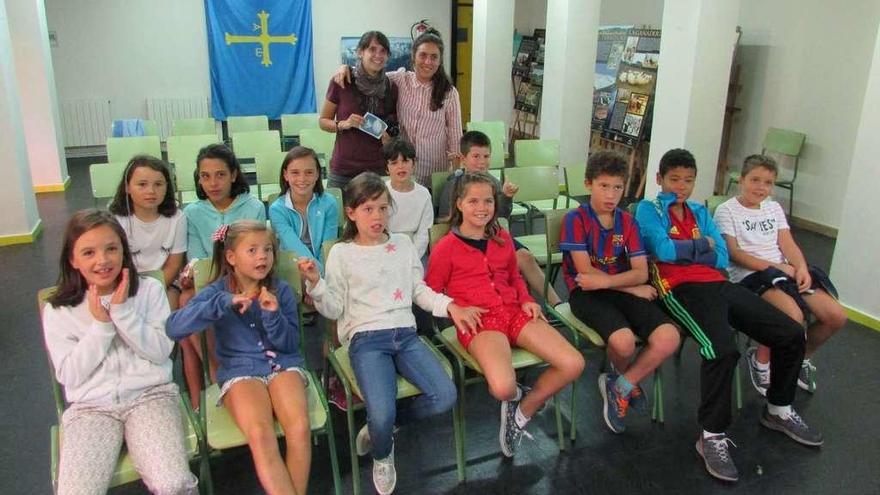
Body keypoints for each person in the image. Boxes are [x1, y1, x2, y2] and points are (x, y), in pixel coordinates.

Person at [635, 148, 823, 483]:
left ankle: (778, 409)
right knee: (722, 349)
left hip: (718, 284)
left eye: (688, 180)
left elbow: (721, 257)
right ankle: (711, 436)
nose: (681, 186)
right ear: (659, 179)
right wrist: (700, 247)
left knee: (792, 331)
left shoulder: (698, 210)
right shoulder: (648, 210)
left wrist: (695, 250)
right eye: (674, 179)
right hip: (678, 290)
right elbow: (662, 251)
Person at [299, 172, 478, 495]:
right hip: (367, 340)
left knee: (445, 395)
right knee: (380, 412)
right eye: (367, 209)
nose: (377, 216)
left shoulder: (402, 244)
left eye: (382, 208)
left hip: (405, 335)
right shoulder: (342, 253)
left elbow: (419, 291)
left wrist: (450, 306)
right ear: (351, 213)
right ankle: (383, 453)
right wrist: (316, 284)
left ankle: (387, 427)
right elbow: (335, 309)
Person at [425, 171, 584, 458]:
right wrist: (454, 308)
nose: (482, 208)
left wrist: (526, 299)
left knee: (573, 363)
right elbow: (431, 292)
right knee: (502, 387)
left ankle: (522, 411)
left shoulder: (502, 237)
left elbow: (514, 277)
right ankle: (514, 398)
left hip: (514, 311)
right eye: (473, 201)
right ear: (458, 203)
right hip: (480, 321)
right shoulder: (445, 248)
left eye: (488, 201)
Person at [42, 209, 198, 495]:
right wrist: (101, 326)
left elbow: (162, 352)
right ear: (73, 259)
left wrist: (122, 312)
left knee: (174, 484)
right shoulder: (58, 309)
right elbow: (69, 374)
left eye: (111, 249)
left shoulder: (149, 289)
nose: (102, 260)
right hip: (91, 408)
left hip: (150, 396)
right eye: (88, 252)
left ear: (123, 251)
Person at [167, 220, 311, 495]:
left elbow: (290, 344)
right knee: (260, 433)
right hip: (240, 371)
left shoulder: (280, 290)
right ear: (231, 257)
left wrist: (272, 315)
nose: (262, 257)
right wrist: (223, 303)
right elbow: (174, 327)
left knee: (300, 428)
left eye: (267, 250)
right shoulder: (215, 292)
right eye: (253, 250)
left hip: (284, 366)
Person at [560, 151, 680, 434]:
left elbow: (641, 271)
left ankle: (621, 384)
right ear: (588, 184)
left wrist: (623, 284)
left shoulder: (627, 221)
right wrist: (631, 286)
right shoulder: (575, 220)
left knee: (668, 337)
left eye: (617, 187)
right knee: (624, 343)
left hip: (618, 288)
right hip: (586, 294)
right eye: (604, 186)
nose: (611, 194)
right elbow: (585, 273)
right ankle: (622, 379)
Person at [714, 154, 846, 395]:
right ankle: (761, 359)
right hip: (750, 277)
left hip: (782, 273)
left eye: (767, 182)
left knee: (835, 316)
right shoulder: (726, 210)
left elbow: (788, 244)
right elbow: (734, 254)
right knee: (791, 316)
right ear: (741, 180)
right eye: (755, 180)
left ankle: (800, 357)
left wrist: (801, 268)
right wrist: (774, 268)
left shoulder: (773, 208)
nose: (761, 187)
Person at [179, 143, 266, 410]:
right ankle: (214, 375)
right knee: (185, 300)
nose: (212, 183)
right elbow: (196, 257)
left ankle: (230, 371)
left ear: (234, 175)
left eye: (220, 174)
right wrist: (193, 272)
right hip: (212, 280)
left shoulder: (252, 206)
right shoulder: (192, 212)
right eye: (205, 176)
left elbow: (258, 251)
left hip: (247, 278)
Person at [438, 130, 562, 307]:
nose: (482, 162)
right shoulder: (454, 184)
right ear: (463, 159)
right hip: (467, 240)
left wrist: (506, 196)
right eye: (476, 156)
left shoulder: (493, 182)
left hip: (492, 234)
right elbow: (445, 220)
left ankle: (557, 304)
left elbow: (501, 216)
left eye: (486, 156)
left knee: (525, 256)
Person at [336, 28, 463, 186]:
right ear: (413, 56)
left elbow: (456, 139)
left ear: (440, 60)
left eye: (434, 57)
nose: (428, 62)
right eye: (423, 55)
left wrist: (457, 178)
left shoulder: (449, 93)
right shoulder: (400, 80)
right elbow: (371, 75)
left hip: (435, 174)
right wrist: (347, 68)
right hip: (403, 172)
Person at [320, 31, 398, 189]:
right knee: (337, 214)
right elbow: (323, 122)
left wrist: (389, 138)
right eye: (372, 49)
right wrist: (342, 124)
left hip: (377, 169)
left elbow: (393, 124)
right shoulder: (342, 81)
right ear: (360, 52)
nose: (378, 55)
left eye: (383, 51)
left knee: (374, 213)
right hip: (343, 170)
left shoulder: (391, 87)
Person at [109, 154, 187, 309]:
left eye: (158, 184)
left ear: (167, 187)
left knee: (166, 317)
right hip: (127, 285)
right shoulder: (116, 221)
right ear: (127, 187)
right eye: (142, 184)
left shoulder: (177, 218)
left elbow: (173, 265)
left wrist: (152, 292)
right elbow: (116, 263)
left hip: (166, 284)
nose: (151, 191)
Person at [268, 146, 339, 274]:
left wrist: (323, 277)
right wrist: (319, 276)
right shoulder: (277, 210)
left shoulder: (329, 203)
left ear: (317, 174)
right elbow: (293, 247)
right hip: (294, 266)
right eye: (295, 172)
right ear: (285, 175)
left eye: (309, 172)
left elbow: (328, 246)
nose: (302, 179)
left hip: (325, 266)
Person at [383, 137, 433, 259]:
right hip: (385, 248)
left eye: (405, 161)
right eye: (394, 163)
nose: (401, 167)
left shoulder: (424, 194)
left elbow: (424, 234)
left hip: (415, 251)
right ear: (386, 168)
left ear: (414, 164)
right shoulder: (380, 192)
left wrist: (412, 257)